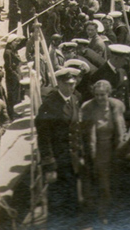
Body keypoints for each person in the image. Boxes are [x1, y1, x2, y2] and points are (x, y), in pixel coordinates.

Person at [35, 68, 83, 229]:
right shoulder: (49, 105)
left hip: (72, 158)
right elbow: (44, 138)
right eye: (69, 84)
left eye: (74, 83)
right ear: (60, 83)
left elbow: (76, 129)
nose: (72, 87)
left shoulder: (74, 99)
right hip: (57, 160)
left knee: (72, 197)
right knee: (57, 201)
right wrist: (49, 165)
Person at [80, 80, 126, 222]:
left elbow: (121, 131)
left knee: (116, 182)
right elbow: (85, 133)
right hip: (98, 151)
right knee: (103, 184)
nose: (99, 98)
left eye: (102, 95)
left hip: (114, 150)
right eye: (97, 95)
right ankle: (103, 215)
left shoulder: (116, 106)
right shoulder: (88, 107)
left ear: (108, 94)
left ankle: (116, 213)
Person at [3, 34, 25, 120]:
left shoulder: (13, 50)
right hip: (11, 77)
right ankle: (11, 114)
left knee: (15, 95)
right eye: (15, 42)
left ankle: (12, 112)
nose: (17, 43)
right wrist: (16, 75)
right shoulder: (8, 52)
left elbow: (22, 43)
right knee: (11, 95)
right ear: (11, 42)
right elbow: (8, 67)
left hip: (15, 74)